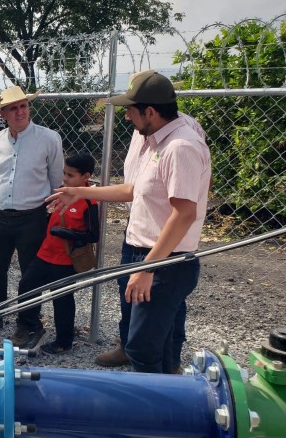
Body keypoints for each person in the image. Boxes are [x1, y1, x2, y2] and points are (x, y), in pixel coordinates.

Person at [47, 70, 210, 374]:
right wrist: (79, 191)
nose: (126, 119)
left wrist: (148, 267)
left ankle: (157, 411)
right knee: (152, 343)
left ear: (150, 112)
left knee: (143, 348)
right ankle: (170, 399)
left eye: (130, 111)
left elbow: (185, 213)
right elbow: (132, 190)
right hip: (146, 250)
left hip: (166, 261)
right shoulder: (156, 140)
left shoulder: (180, 147)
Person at [0, 85, 64, 342]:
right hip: (0, 216)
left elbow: (56, 181)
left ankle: (29, 323)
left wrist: (47, 213)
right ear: (3, 113)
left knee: (30, 273)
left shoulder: (48, 139)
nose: (20, 111)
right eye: (13, 108)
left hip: (32, 216)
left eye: (23, 105)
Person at [16, 153, 99, 354]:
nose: (65, 178)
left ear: (85, 176)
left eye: (70, 175)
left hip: (65, 259)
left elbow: (93, 234)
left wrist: (68, 233)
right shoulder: (62, 193)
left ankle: (64, 341)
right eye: (64, 173)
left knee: (61, 299)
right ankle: (30, 325)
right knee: (26, 285)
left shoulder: (89, 201)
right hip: (45, 252)